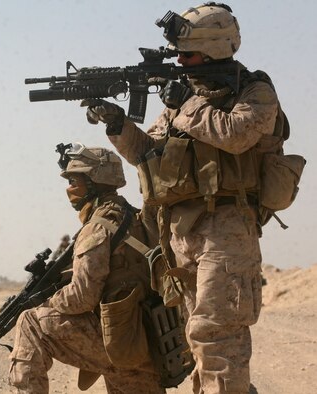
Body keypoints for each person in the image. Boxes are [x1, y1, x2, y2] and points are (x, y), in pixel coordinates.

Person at [84, 3, 277, 393]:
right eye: (178, 55)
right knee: (195, 338)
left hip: (227, 230)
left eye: (187, 55)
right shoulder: (187, 99)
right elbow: (146, 153)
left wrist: (183, 101)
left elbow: (236, 135)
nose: (181, 62)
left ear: (215, 50)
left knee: (217, 336)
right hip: (181, 235)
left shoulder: (254, 91)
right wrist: (118, 123)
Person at [8, 143, 164, 394]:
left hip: (123, 341)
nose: (69, 189)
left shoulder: (97, 227)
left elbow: (82, 297)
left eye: (73, 181)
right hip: (147, 338)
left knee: (31, 322)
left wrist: (46, 301)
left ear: (94, 182)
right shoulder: (132, 217)